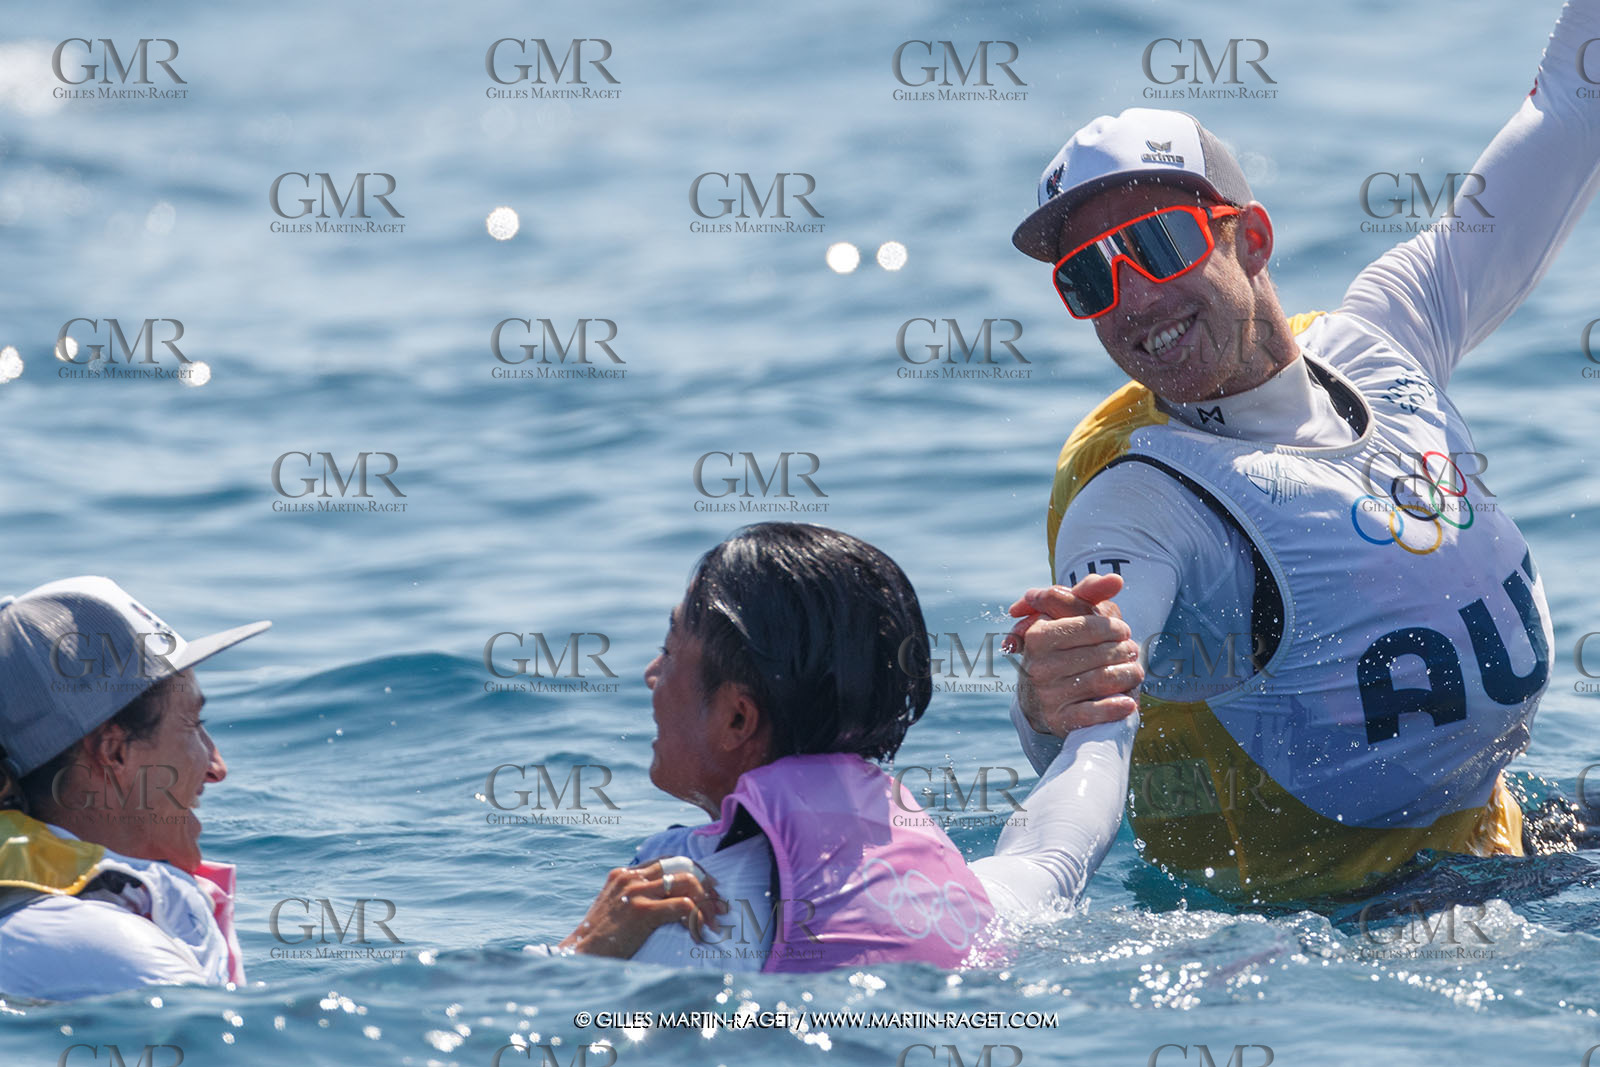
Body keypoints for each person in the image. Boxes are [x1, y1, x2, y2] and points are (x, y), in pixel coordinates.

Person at [1003, 0, 1600, 903]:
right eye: (1087, 277)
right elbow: (1086, 753)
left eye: (1156, 246)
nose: (1129, 300)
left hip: (1520, 842)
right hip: (1370, 932)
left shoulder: (1388, 337)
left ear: (1251, 238)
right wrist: (1012, 875)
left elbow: (1571, 106)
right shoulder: (1139, 504)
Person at [556, 523, 1143, 971]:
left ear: (739, 716)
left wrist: (587, 947)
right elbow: (1050, 856)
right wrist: (1105, 706)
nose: (651, 674)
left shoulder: (682, 909)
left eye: (669, 649)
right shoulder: (951, 896)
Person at [0, 577, 269, 1000]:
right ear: (115, 751)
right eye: (193, 725)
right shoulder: (104, 949)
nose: (217, 767)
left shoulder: (46, 916)